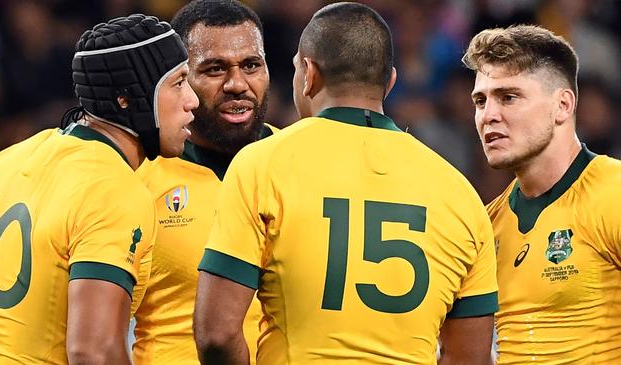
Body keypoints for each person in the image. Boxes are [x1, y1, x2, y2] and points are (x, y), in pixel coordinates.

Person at [194, 3, 498, 364]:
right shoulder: (460, 193)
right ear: (390, 82)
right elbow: (471, 359)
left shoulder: (263, 164)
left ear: (308, 74)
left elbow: (218, 334)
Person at [0, 14, 198, 364]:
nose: (192, 101)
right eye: (178, 83)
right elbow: (94, 351)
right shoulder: (113, 188)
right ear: (127, 99)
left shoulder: (2, 162)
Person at [463, 25, 621, 364]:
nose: (488, 115)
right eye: (480, 100)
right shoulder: (486, 224)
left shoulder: (613, 193)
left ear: (562, 106)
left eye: (508, 97)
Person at [132, 1, 273, 364]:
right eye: (214, 69)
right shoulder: (138, 178)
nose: (237, 84)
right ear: (180, 79)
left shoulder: (302, 161)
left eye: (251, 65)